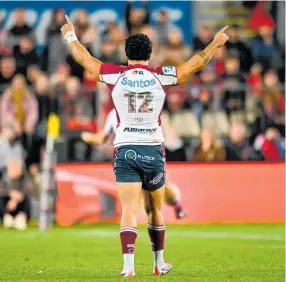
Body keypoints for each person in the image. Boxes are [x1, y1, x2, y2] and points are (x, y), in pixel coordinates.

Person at [61, 15, 229, 277]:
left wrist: (71, 35)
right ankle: (158, 263)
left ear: (126, 54)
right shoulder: (161, 75)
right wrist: (215, 44)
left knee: (129, 209)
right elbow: (194, 65)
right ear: (150, 55)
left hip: (125, 147)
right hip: (152, 149)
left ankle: (128, 267)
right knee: (155, 210)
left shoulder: (115, 75)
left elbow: (85, 61)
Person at [81, 109, 186, 219]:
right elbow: (102, 138)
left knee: (162, 186)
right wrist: (89, 137)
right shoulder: (113, 114)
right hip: (129, 157)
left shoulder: (142, 110)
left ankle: (176, 204)